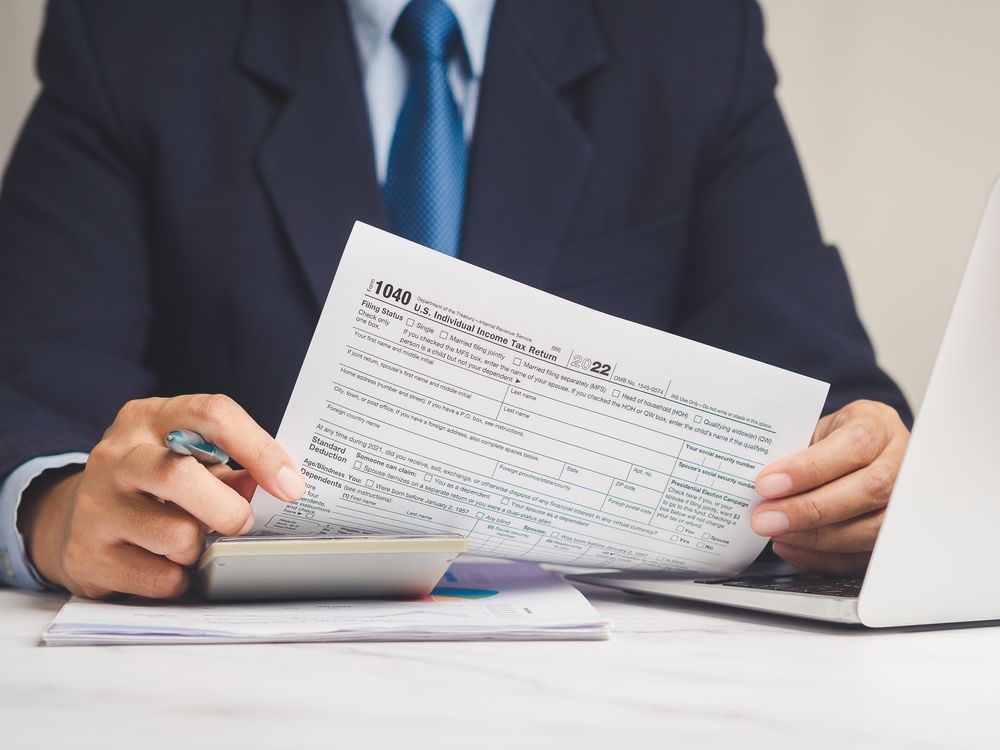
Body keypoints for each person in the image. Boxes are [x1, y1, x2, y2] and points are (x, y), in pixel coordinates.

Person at [0, 0, 911, 599]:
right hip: (235, 678)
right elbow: (32, 378)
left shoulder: (686, 33)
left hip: (609, 681)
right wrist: (56, 510)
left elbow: (821, 385)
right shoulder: (132, 32)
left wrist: (865, 476)